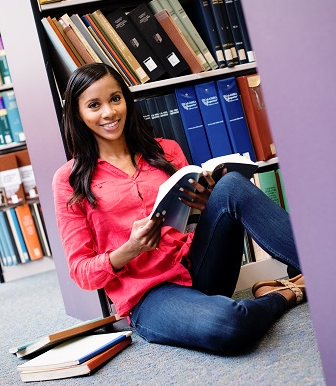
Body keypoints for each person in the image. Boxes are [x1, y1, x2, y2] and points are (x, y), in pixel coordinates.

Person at [52, 63, 305, 353]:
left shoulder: (166, 151)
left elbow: (192, 224)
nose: (109, 112)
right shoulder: (69, 181)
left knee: (231, 185)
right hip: (150, 296)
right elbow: (81, 271)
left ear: (126, 100)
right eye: (94, 105)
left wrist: (206, 204)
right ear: (78, 114)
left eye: (115, 98)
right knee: (230, 325)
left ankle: (320, 266)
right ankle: (287, 293)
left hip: (199, 267)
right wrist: (131, 249)